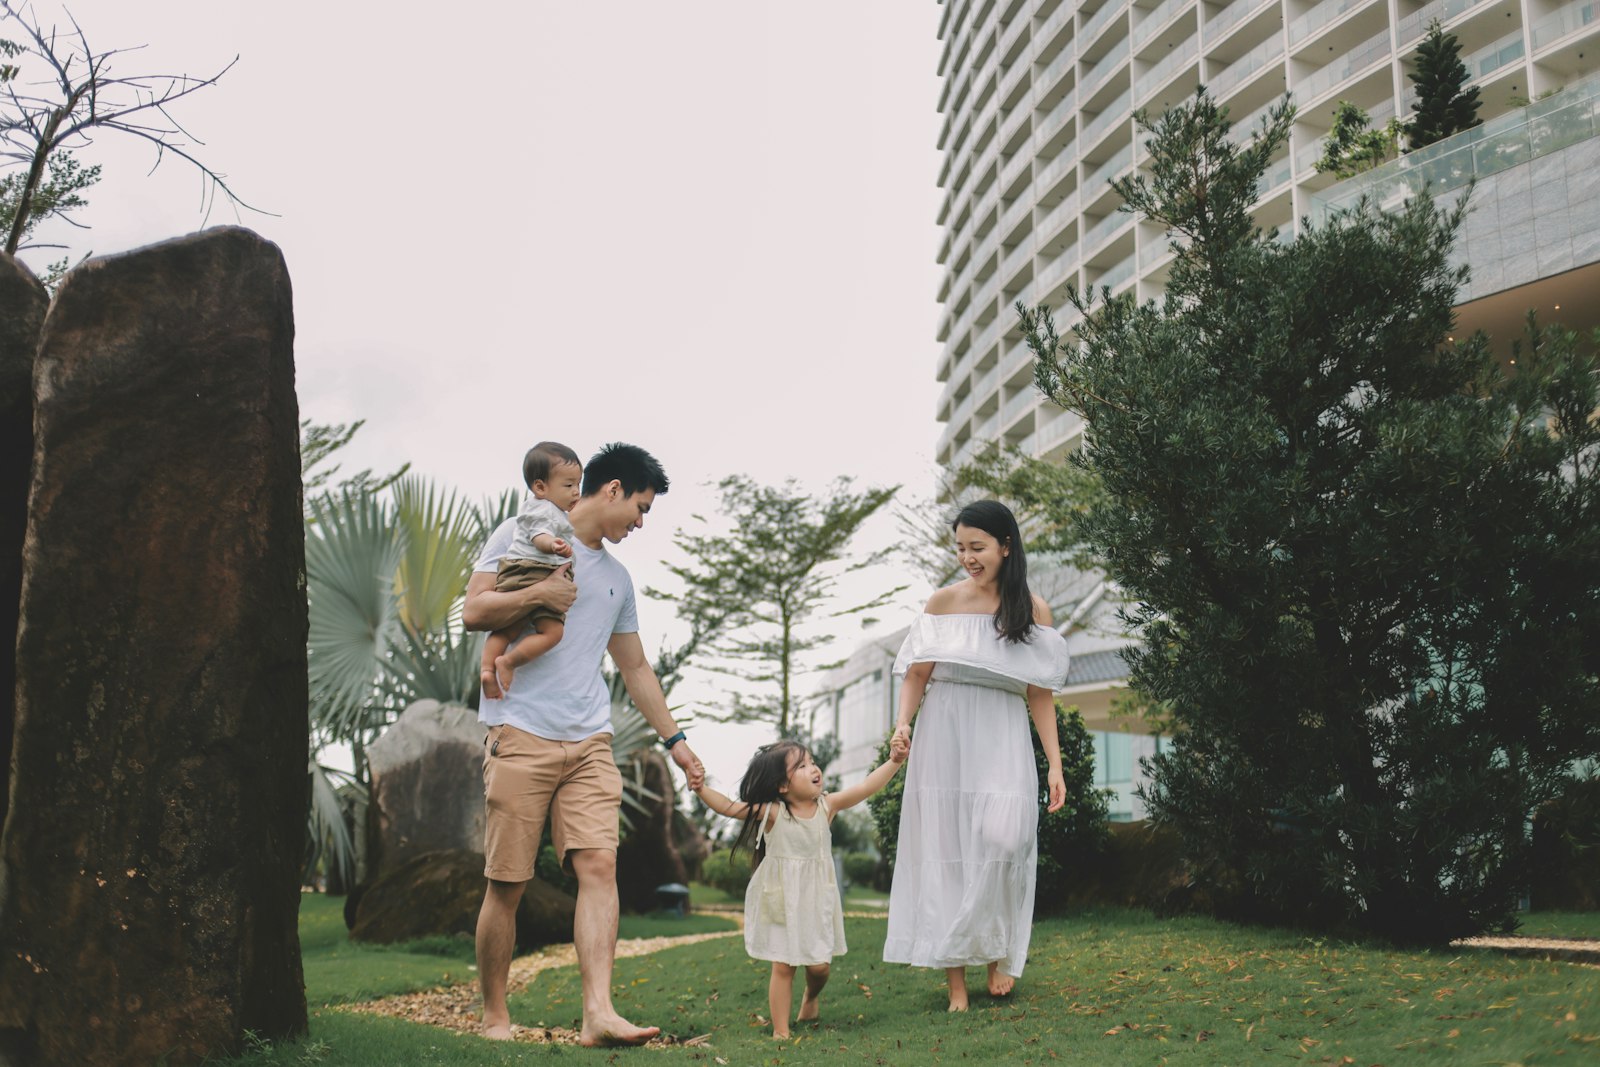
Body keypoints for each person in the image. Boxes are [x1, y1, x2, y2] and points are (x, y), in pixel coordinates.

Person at [464, 442, 705, 1047]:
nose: (641, 523)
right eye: (642, 508)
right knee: (508, 882)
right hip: (519, 732)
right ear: (614, 489)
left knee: (599, 865)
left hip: (590, 741)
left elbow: (636, 669)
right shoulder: (519, 533)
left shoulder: (619, 580)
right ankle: (494, 1014)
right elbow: (474, 611)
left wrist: (675, 740)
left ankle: (598, 1012)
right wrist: (538, 598)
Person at [883, 499, 1070, 1012]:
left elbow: (1039, 692)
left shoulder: (1033, 610)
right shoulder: (942, 603)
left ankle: (996, 955)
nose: (967, 557)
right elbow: (917, 672)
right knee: (947, 849)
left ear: (1005, 547)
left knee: (1004, 839)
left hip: (1003, 727)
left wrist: (1054, 763)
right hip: (946, 727)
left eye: (977, 547)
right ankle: (958, 986)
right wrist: (903, 724)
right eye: (961, 547)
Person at [692, 738, 907, 1039]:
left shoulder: (827, 807)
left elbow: (866, 787)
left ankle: (811, 997)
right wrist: (701, 788)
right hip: (780, 898)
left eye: (812, 761)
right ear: (782, 785)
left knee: (819, 967)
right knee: (784, 965)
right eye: (802, 765)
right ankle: (781, 1030)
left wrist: (894, 761)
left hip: (816, 898)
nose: (814, 768)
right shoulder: (774, 813)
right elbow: (730, 808)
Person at [479, 441, 583, 698]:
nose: (576, 492)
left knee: (507, 629)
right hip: (532, 570)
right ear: (540, 487)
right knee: (553, 632)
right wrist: (554, 545)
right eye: (569, 485)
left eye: (578, 485)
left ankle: (486, 670)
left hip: (521, 572)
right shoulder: (544, 509)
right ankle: (509, 661)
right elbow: (539, 536)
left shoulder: (550, 510)